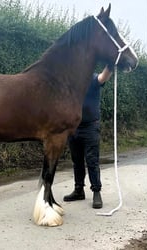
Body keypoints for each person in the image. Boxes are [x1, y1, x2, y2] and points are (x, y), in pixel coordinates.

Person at [63, 65, 113, 209]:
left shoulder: (92, 79)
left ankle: (96, 192)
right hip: (73, 128)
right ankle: (79, 190)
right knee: (76, 161)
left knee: (92, 160)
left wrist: (110, 64)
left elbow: (103, 77)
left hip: (90, 127)